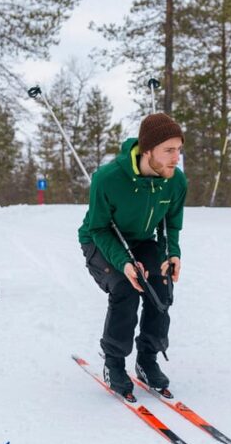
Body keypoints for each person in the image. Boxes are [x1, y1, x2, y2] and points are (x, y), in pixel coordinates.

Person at [79, 113, 187, 401]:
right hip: (101, 240)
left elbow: (170, 225)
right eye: (169, 150)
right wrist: (123, 263)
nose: (176, 158)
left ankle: (147, 359)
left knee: (160, 286)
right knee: (126, 287)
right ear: (148, 149)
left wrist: (172, 254)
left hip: (141, 241)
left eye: (179, 149)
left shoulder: (175, 181)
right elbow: (98, 228)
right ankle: (114, 363)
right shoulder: (108, 178)